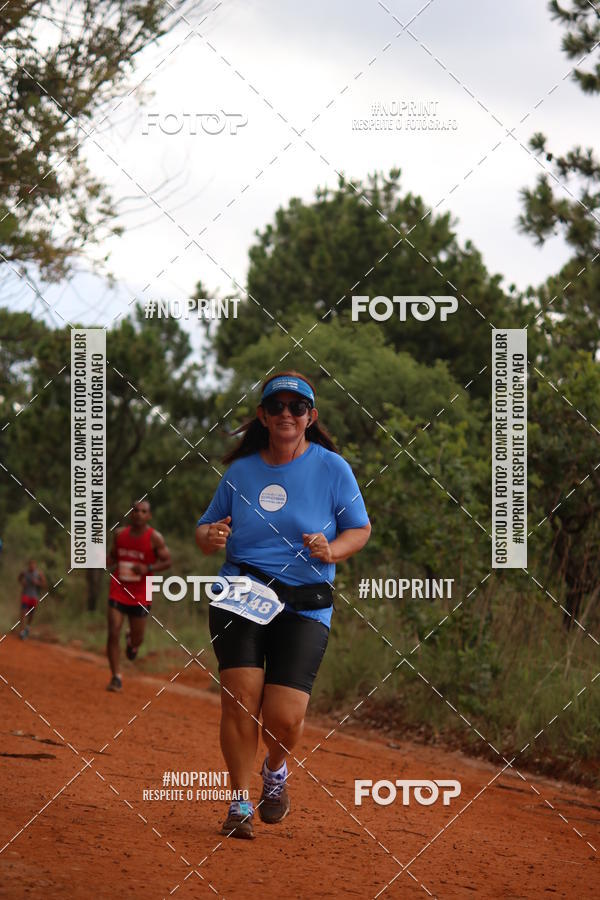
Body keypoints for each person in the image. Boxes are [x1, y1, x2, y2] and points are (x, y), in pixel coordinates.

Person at [196, 371, 371, 839]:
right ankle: (238, 802)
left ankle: (275, 769)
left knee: (284, 716)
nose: (286, 414)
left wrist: (333, 550)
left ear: (311, 417)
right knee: (239, 700)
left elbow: (360, 528)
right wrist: (211, 537)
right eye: (276, 407)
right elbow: (205, 528)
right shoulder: (241, 472)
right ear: (263, 416)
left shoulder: (333, 469)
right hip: (242, 590)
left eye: (297, 407)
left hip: (304, 600)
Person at [105, 500, 171, 692]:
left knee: (137, 639)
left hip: (142, 591)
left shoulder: (155, 538)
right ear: (130, 513)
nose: (138, 514)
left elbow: (167, 561)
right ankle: (116, 677)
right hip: (119, 588)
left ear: (148, 516)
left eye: (143, 511)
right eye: (135, 510)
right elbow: (113, 557)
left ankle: (131, 642)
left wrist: (147, 568)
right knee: (113, 631)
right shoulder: (119, 534)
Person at [18, 559, 46, 639]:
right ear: (28, 566)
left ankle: (27, 627)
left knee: (31, 614)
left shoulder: (39, 574)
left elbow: (44, 584)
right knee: (23, 612)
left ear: (35, 566)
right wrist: (22, 582)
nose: (32, 567)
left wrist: (37, 583)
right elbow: (19, 578)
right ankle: (21, 631)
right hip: (25, 595)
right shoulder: (24, 572)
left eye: (33, 565)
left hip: (34, 596)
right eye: (30, 565)